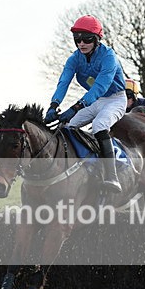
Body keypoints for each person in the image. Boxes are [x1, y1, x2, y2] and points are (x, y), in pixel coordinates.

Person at [43, 15, 126, 193]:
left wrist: (76, 107)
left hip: (115, 99)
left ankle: (112, 176)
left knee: (99, 125)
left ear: (97, 39)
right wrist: (53, 105)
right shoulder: (74, 59)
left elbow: (100, 87)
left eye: (87, 39)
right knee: (67, 126)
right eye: (77, 39)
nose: (81, 43)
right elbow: (63, 82)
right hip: (94, 101)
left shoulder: (109, 57)